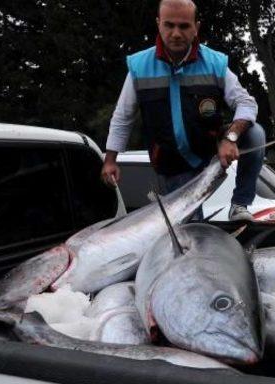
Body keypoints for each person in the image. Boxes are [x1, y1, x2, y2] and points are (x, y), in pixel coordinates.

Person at [101, 0, 265, 221]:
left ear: (196, 27)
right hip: (173, 163)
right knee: (191, 231)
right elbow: (123, 117)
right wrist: (110, 160)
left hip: (209, 151)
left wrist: (231, 138)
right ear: (158, 24)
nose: (176, 33)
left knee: (255, 134)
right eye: (169, 25)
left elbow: (247, 103)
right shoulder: (139, 68)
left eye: (184, 26)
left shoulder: (215, 63)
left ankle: (240, 204)